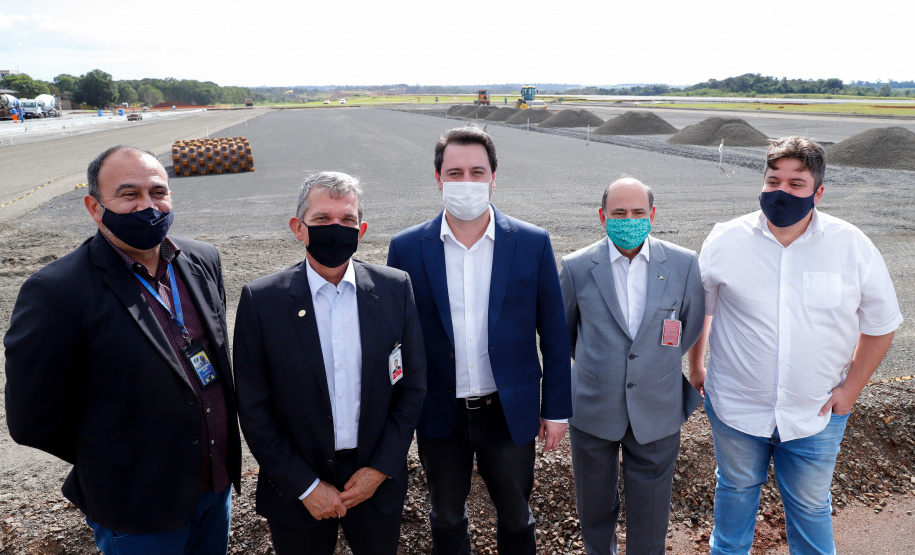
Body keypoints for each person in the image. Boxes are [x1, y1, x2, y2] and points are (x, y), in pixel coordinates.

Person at [4, 145, 242, 554]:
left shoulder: (201, 259)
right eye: (129, 195)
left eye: (158, 192)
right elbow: (32, 420)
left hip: (216, 487)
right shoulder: (56, 291)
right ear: (95, 208)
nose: (147, 206)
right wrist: (115, 458)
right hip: (138, 506)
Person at [688, 137, 903, 554]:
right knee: (733, 496)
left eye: (795, 184)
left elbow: (881, 325)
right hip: (735, 408)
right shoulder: (725, 240)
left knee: (809, 509)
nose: (780, 192)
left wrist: (851, 390)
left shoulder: (851, 245)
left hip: (815, 413)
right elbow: (702, 310)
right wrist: (697, 367)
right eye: (773, 181)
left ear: (818, 192)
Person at [387, 125, 572, 554]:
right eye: (454, 173)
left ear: (494, 177)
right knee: (445, 515)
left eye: (476, 171)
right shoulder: (408, 248)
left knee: (516, 514)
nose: (466, 182)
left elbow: (555, 334)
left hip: (507, 412)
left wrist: (557, 408)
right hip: (439, 412)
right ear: (438, 180)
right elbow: (396, 339)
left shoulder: (531, 242)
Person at [233, 171, 426, 555]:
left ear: (362, 229)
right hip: (297, 489)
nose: (335, 229)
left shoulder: (394, 290)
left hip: (374, 482)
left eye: (346, 220)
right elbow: (254, 408)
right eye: (322, 219)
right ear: (298, 228)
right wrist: (305, 485)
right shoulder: (262, 302)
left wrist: (379, 470)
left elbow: (412, 387)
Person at [559, 178, 705, 554]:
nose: (629, 219)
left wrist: (653, 366)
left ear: (652, 215)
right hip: (593, 406)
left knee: (652, 515)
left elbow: (689, 327)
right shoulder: (576, 267)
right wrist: (599, 367)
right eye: (619, 213)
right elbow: (565, 335)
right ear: (602, 216)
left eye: (638, 212)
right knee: (593, 510)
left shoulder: (683, 264)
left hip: (657, 407)